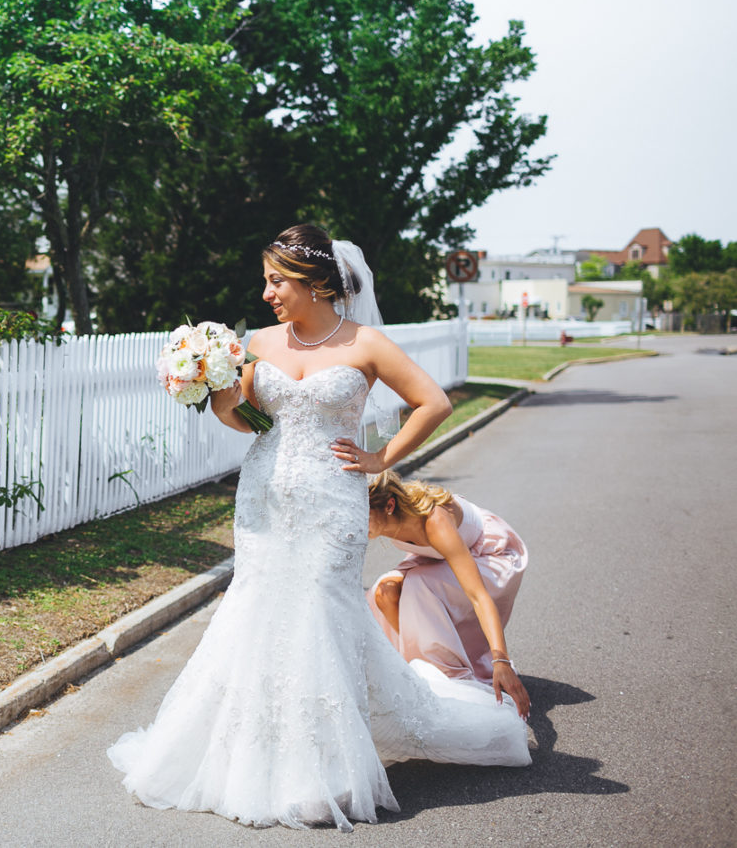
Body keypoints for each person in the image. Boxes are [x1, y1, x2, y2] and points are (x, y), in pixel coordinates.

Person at [107, 225, 530, 832]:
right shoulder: (259, 342)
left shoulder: (366, 344)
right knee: (257, 611)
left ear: (317, 283)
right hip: (264, 501)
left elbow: (433, 402)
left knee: (318, 615)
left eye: (277, 281)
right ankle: (247, 757)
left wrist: (381, 459)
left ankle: (319, 771)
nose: (267, 293)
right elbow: (246, 419)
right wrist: (212, 383)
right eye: (266, 281)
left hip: (333, 504)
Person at [366, 471, 530, 716]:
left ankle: (453, 682)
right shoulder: (379, 520)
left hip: (490, 553)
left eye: (360, 514)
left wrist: (501, 661)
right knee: (384, 591)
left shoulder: (435, 522)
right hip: (434, 555)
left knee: (419, 586)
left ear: (389, 506)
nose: (352, 522)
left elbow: (478, 596)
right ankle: (417, 671)